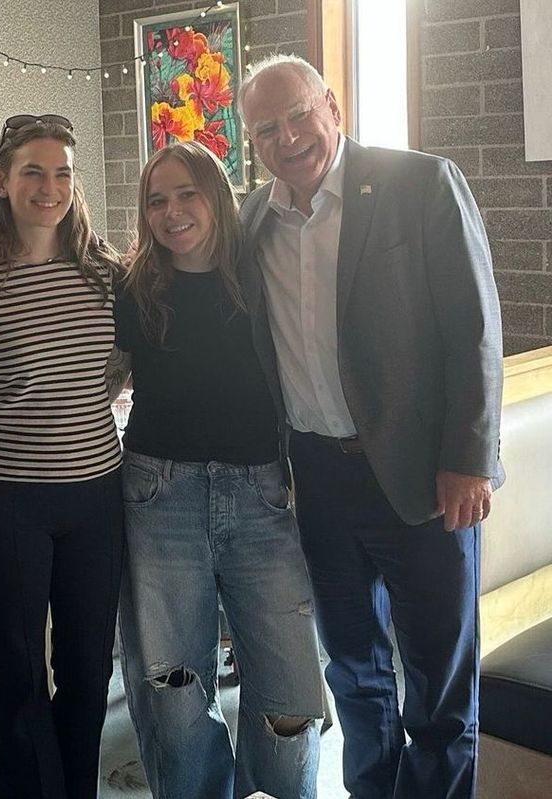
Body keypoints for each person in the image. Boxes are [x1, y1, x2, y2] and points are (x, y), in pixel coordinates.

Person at [237, 54, 504, 799]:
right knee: (352, 672)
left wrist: (469, 458)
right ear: (250, 139)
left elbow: (474, 329)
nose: (287, 136)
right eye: (266, 127)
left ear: (333, 106)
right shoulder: (252, 220)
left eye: (298, 115)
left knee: (438, 682)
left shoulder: (420, 183)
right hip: (318, 479)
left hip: (425, 476)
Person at [108, 141, 323, 799]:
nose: (171, 212)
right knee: (173, 688)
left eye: (186, 194)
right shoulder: (131, 282)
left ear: (217, 195)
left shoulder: (262, 271)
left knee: (290, 694)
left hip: (260, 494)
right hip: (159, 492)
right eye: (156, 199)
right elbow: (103, 376)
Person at [0, 114, 123, 799]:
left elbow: (131, 360)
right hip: (7, 496)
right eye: (32, 172)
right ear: (0, 183)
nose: (49, 187)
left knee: (87, 667)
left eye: (61, 173)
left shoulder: (105, 271)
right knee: (18, 670)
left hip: (95, 495)